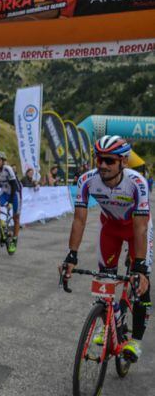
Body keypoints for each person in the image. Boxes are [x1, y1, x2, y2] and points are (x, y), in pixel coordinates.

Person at [61, 135, 151, 362]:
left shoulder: (137, 182)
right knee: (105, 282)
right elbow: (79, 220)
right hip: (110, 229)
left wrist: (140, 266)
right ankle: (109, 322)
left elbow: (140, 227)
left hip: (135, 230)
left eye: (109, 161)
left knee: (141, 285)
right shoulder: (87, 180)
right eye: (99, 159)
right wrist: (72, 255)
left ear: (123, 162)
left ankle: (135, 341)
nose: (102, 165)